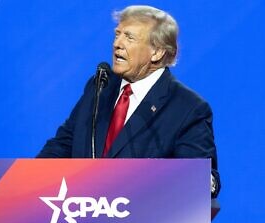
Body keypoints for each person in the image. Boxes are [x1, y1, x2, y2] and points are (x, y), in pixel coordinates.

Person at [37, 5, 220, 198]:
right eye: (118, 34)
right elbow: (63, 144)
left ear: (156, 52)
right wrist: (30, 182)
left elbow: (201, 178)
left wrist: (202, 180)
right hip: (81, 218)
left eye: (129, 37)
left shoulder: (188, 108)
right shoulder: (100, 87)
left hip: (146, 222)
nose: (117, 43)